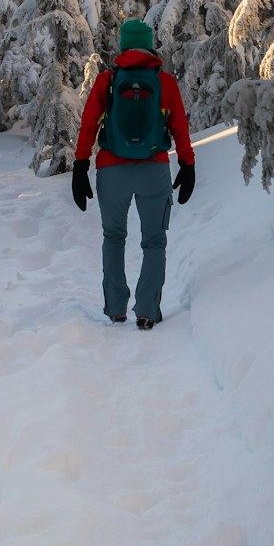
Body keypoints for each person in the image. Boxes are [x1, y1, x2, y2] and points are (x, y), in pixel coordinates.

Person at [71, 18, 194, 329]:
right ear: (150, 44)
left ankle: (115, 308)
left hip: (112, 171)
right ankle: (147, 310)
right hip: (154, 169)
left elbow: (89, 125)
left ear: (124, 45)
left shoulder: (107, 81)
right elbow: (180, 127)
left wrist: (81, 165)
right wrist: (188, 165)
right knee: (154, 241)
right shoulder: (164, 82)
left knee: (113, 237)